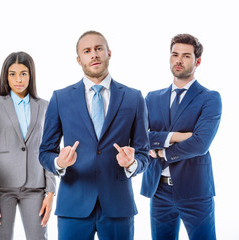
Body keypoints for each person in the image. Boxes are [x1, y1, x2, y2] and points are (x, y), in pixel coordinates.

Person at [39, 30, 150, 240]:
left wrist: (131, 164)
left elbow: (143, 153)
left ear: (109, 52)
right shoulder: (60, 98)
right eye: (87, 51)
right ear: (78, 59)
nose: (94, 54)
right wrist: (59, 163)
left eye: (99, 49)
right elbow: (45, 151)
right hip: (73, 206)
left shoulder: (134, 98)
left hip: (118, 206)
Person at [140, 34, 222, 240]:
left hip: (196, 191)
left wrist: (160, 151)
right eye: (175, 54)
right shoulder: (152, 97)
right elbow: (139, 137)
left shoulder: (210, 98)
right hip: (158, 190)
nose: (179, 60)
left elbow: (200, 144)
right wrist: (174, 136)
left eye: (186, 56)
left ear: (197, 61)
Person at [0, 51, 56, 240]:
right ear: (5, 76)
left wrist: (50, 191)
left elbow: (50, 150)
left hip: (35, 185)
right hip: (2, 186)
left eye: (23, 73)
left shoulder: (45, 106)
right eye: (12, 74)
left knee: (39, 237)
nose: (18, 79)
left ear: (31, 75)